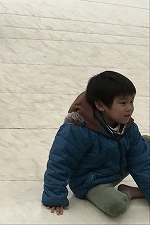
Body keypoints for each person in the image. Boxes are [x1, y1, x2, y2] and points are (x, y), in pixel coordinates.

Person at [42, 71, 150, 217]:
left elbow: (141, 162)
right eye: (123, 103)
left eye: (131, 101)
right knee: (116, 205)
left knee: (145, 142)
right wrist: (55, 196)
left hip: (116, 168)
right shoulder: (77, 128)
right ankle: (128, 193)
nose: (129, 108)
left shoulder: (128, 127)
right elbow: (60, 161)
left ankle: (137, 191)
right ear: (100, 105)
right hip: (91, 181)